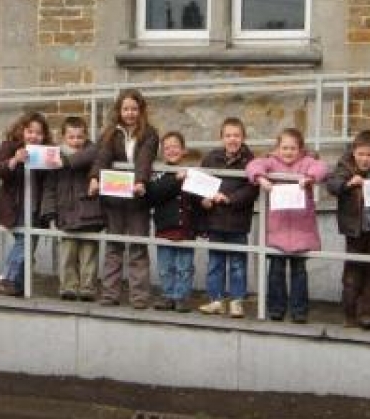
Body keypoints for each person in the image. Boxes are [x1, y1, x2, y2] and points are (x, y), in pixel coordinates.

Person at [246, 128, 328, 323]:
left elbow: (322, 167)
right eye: (284, 148)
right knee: (276, 271)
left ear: (300, 149)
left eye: (293, 148)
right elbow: (253, 165)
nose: (288, 152)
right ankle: (276, 308)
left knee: (299, 272)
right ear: (277, 148)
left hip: (301, 229)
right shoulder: (271, 162)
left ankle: (299, 310)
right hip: (277, 228)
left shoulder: (307, 162)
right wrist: (260, 177)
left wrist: (310, 178)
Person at [87, 89, 159, 308]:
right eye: (126, 109)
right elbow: (102, 157)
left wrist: (140, 181)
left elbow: (145, 159)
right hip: (114, 198)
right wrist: (94, 178)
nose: (130, 113)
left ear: (141, 110)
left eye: (134, 109)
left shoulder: (150, 133)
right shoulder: (110, 133)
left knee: (138, 247)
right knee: (114, 246)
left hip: (138, 198)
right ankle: (110, 294)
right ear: (119, 110)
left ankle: (139, 297)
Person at [326, 129, 370, 330]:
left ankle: (368, 314)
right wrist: (348, 184)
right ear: (354, 152)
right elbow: (332, 184)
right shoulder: (345, 164)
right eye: (361, 154)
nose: (365, 159)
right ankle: (349, 314)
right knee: (353, 273)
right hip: (355, 230)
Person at [196, 117, 259, 318]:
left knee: (238, 264)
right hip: (215, 220)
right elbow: (202, 184)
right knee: (215, 263)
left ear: (243, 137)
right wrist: (204, 200)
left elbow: (251, 190)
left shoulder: (251, 161)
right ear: (221, 137)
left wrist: (229, 199)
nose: (232, 139)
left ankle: (236, 301)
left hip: (238, 222)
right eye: (228, 135)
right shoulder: (211, 158)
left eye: (236, 135)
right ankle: (216, 300)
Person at [40, 116, 104, 302]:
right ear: (63, 137)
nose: (76, 141)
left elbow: (95, 152)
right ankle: (68, 286)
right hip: (65, 213)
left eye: (80, 137)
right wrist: (50, 212)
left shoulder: (92, 152)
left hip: (89, 213)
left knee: (88, 255)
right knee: (67, 254)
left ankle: (87, 288)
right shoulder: (55, 158)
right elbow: (50, 187)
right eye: (71, 137)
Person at [0, 112, 55, 297]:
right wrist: (14, 160)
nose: (34, 136)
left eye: (38, 133)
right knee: (24, 242)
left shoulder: (45, 151)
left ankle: (18, 285)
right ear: (21, 131)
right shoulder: (9, 146)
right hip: (16, 206)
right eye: (30, 131)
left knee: (30, 244)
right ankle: (6, 278)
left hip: (37, 207)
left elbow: (50, 180)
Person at [146, 131, 196, 313]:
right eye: (167, 148)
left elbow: (197, 199)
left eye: (175, 146)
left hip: (185, 229)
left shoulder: (191, 173)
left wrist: (205, 202)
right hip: (165, 228)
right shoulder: (159, 174)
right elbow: (154, 195)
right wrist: (176, 179)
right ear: (162, 152)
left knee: (184, 266)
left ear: (184, 150)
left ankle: (181, 297)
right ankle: (167, 295)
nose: (171, 150)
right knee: (165, 266)